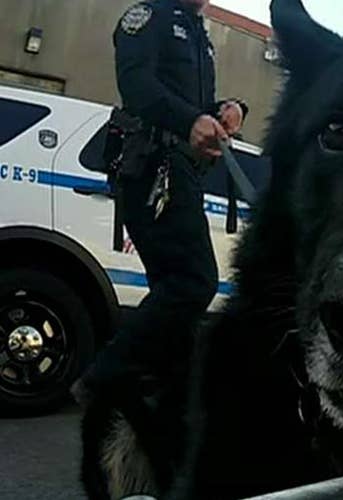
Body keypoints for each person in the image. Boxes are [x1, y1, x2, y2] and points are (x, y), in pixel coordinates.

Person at [73, 0, 247, 402]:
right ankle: (105, 378)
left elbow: (193, 104)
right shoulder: (149, 17)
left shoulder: (198, 32)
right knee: (193, 280)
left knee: (174, 283)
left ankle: (157, 387)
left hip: (180, 170)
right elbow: (136, 84)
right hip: (152, 165)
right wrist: (189, 121)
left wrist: (230, 109)